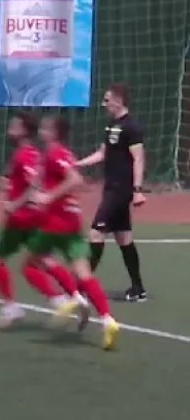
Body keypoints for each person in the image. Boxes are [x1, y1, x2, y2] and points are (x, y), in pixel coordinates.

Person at [0, 112, 88, 330]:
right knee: (43, 260)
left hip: (20, 218)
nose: (10, 129)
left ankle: (13, 307)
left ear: (24, 131)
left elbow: (34, 183)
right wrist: (10, 185)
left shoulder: (24, 155)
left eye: (14, 126)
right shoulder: (34, 153)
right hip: (36, 217)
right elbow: (32, 181)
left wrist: (15, 203)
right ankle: (73, 297)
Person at [30, 115, 121, 351]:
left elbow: (75, 179)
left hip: (56, 219)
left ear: (54, 132)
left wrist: (48, 197)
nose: (41, 131)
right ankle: (108, 320)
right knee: (84, 274)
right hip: (72, 220)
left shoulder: (54, 153)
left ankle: (74, 297)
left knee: (36, 258)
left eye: (45, 128)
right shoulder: (65, 153)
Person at [76, 83, 148, 302]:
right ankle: (138, 289)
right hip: (111, 188)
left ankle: (81, 287)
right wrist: (77, 164)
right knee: (124, 237)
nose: (104, 104)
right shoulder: (111, 125)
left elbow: (138, 159)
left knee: (96, 233)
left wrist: (137, 190)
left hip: (121, 190)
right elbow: (102, 153)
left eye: (107, 100)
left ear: (118, 100)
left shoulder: (131, 127)